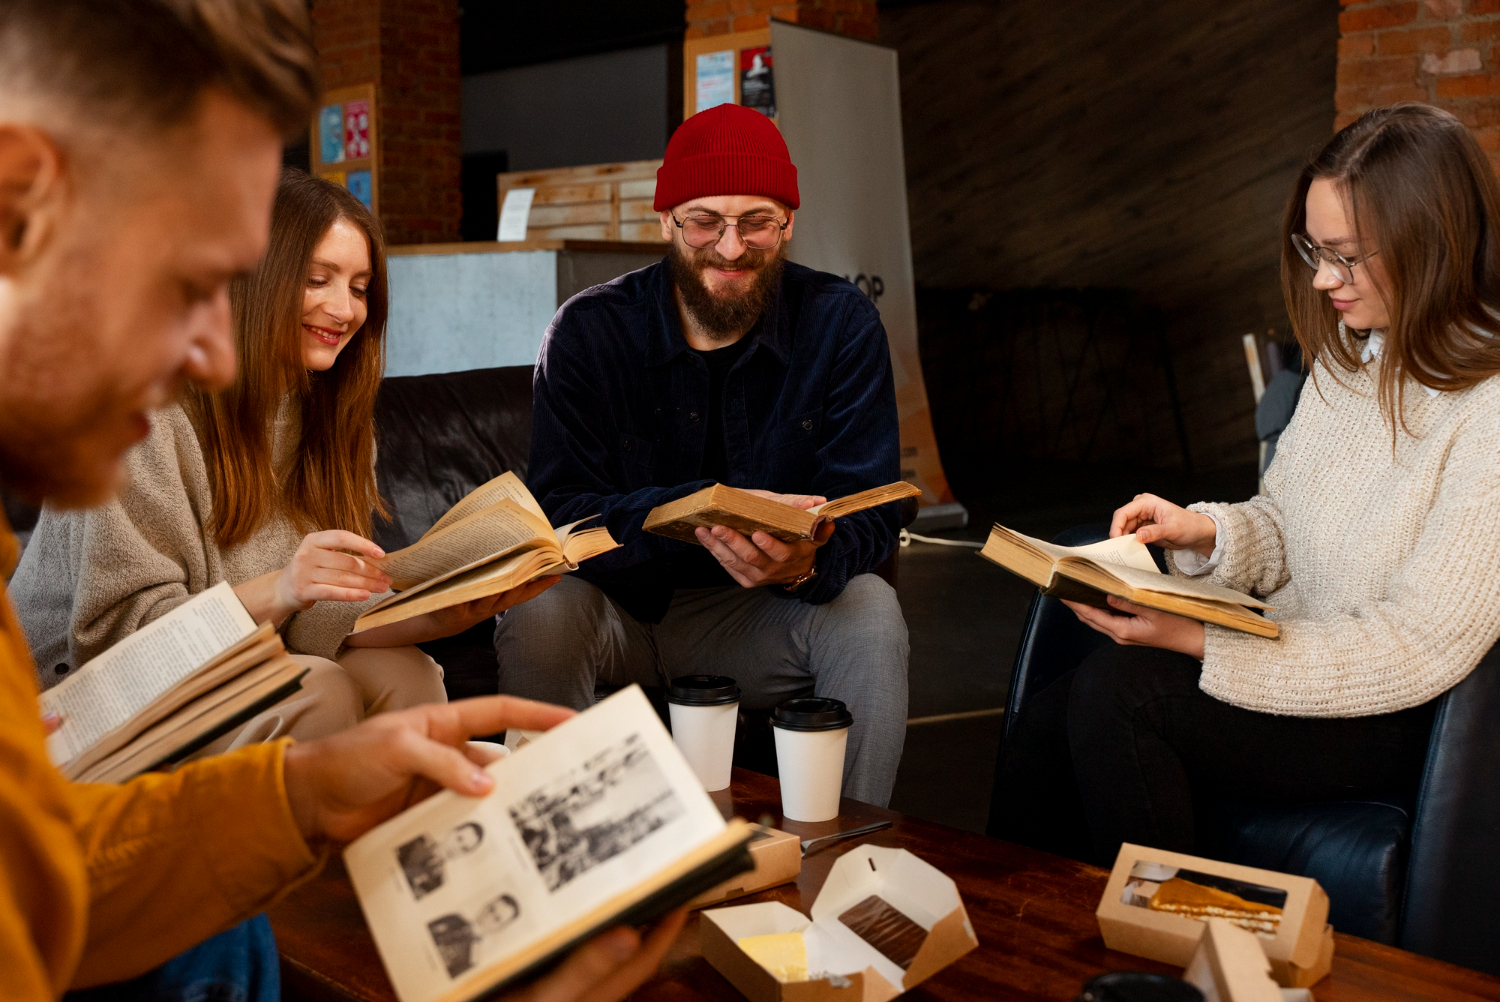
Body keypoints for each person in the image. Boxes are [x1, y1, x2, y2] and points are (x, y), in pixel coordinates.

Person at [0, 2, 681, 999]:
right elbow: (111, 665)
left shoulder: (317, 415)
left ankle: (391, 916)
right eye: (193, 283)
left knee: (387, 695)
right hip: (128, 703)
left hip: (179, 774)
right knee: (314, 704)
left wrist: (304, 791)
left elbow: (47, 894)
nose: (219, 354)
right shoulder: (154, 429)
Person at [998, 103, 1500, 865]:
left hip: (1388, 709)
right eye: (1315, 248)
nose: (1325, 278)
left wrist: (1200, 642)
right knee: (1051, 717)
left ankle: (1161, 974)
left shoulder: (1488, 408)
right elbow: (1287, 522)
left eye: (1349, 255)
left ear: (1431, 243)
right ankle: (1016, 952)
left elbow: (1417, 647)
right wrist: (1207, 533)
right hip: (1292, 662)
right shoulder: (1351, 356)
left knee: (1120, 697)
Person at [11, 169, 553, 744]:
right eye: (317, 279)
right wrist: (283, 590)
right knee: (317, 689)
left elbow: (317, 612)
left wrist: (452, 611)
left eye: (360, 288)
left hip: (243, 650)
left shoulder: (330, 413)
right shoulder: (143, 409)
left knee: (408, 675)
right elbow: (118, 640)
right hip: (78, 698)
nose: (343, 310)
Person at [493, 103, 910, 807]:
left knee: (870, 610)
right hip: (616, 609)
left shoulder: (841, 324)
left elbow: (869, 505)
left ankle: (843, 850)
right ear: (665, 222)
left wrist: (810, 555)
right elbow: (559, 510)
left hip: (759, 615)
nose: (730, 247)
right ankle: (554, 845)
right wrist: (674, 513)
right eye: (703, 222)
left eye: (757, 222)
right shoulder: (589, 332)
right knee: (538, 610)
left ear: (789, 224)